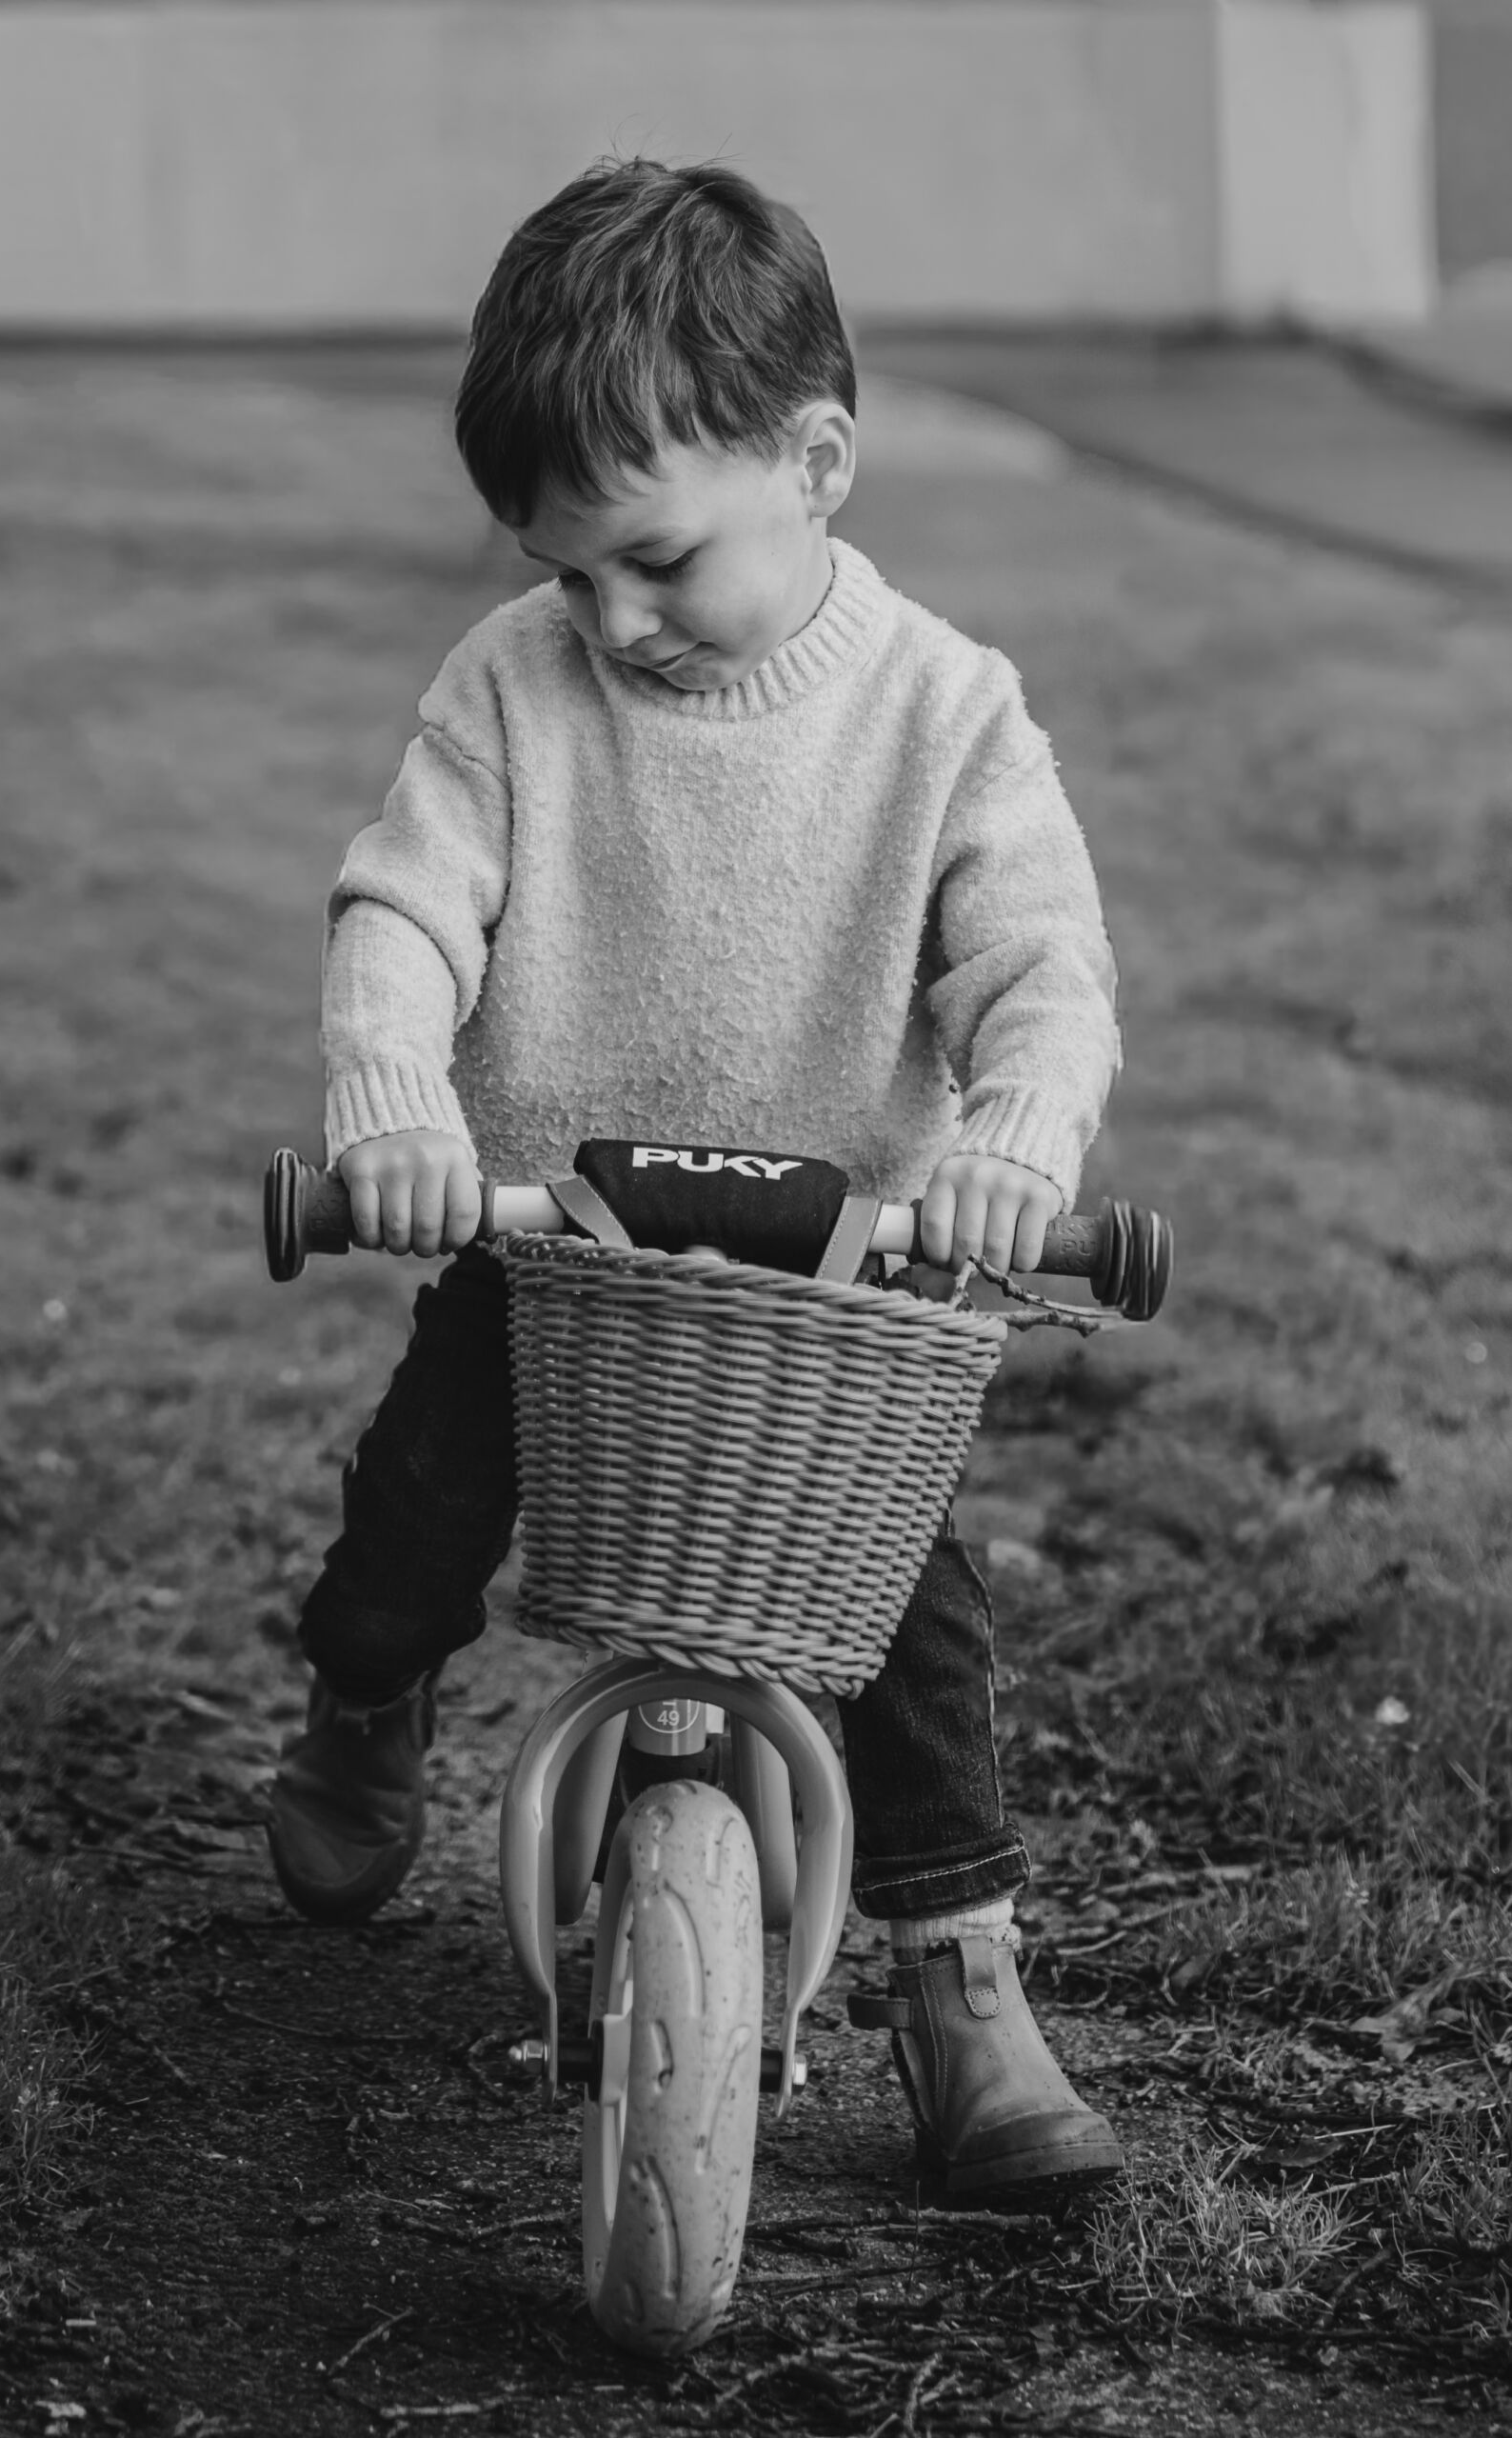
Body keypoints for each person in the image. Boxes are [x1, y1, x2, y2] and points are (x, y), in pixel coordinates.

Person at [269, 158, 1124, 2208]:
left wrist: (1012, 1144)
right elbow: (409, 898)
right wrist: (392, 1091)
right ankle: (362, 1693)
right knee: (417, 1510)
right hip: (560, 1249)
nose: (608, 619)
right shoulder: (511, 686)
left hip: (837, 1291)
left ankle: (956, 1978)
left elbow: (1041, 970)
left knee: (907, 1623)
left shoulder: (941, 712)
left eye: (649, 563)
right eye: (565, 576)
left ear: (814, 461)